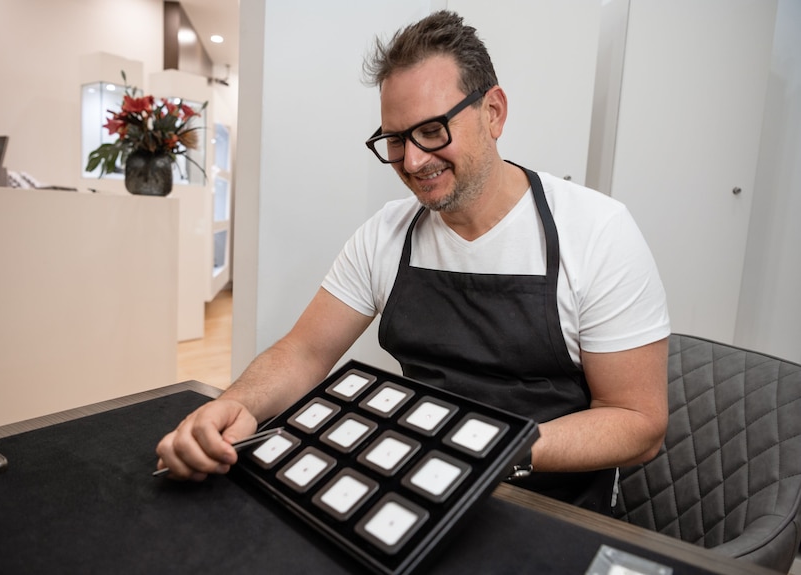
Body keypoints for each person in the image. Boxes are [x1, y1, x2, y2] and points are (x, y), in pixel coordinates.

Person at [156, 10, 670, 515]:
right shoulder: (386, 233)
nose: (414, 161)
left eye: (432, 131)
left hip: (552, 506)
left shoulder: (596, 231)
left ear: (493, 112)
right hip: (417, 493)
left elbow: (637, 421)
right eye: (396, 140)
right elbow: (304, 353)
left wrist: (491, 452)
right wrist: (239, 403)